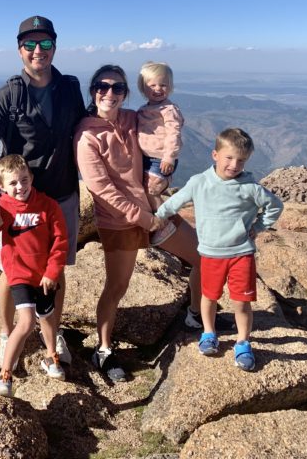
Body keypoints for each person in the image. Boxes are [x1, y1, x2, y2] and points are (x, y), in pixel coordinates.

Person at [74, 65, 206, 382]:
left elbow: (164, 130)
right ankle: (103, 350)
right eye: (102, 87)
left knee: (203, 256)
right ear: (93, 91)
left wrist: (170, 160)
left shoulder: (132, 119)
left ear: (126, 92)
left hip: (154, 208)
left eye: (118, 88)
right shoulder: (86, 136)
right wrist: (145, 219)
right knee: (116, 287)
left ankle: (195, 316)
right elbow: (103, 191)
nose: (110, 93)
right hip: (122, 222)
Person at [0, 15, 87, 371]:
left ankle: (52, 332)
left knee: (57, 266)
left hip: (63, 193)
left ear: (55, 46)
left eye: (46, 44)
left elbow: (84, 131)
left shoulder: (70, 87)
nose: (39, 51)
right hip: (19, 199)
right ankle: (8, 331)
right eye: (31, 45)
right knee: (13, 270)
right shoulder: (8, 95)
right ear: (19, 49)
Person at [156, 128, 283, 371]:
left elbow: (275, 206)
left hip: (240, 254)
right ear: (215, 154)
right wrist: (158, 217)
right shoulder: (199, 182)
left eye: (241, 160)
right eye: (229, 157)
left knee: (241, 303)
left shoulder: (250, 187)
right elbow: (175, 202)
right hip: (210, 254)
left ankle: (243, 342)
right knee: (209, 297)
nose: (234, 165)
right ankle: (208, 333)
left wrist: (258, 226)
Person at [0, 154, 68, 396]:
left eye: (24, 180)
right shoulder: (2, 208)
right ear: (1, 186)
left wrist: (52, 272)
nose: (20, 187)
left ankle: (52, 357)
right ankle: (4, 374)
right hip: (18, 275)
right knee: (27, 321)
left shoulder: (48, 206)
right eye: (13, 183)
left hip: (44, 276)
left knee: (48, 318)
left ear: (32, 178)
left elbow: (60, 242)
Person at [136, 61, 184, 246]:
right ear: (143, 87)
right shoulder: (144, 109)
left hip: (160, 159)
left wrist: (169, 156)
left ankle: (164, 222)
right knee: (141, 190)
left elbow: (174, 134)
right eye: (152, 85)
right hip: (147, 159)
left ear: (170, 87)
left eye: (163, 85)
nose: (158, 89)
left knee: (151, 190)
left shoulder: (169, 110)